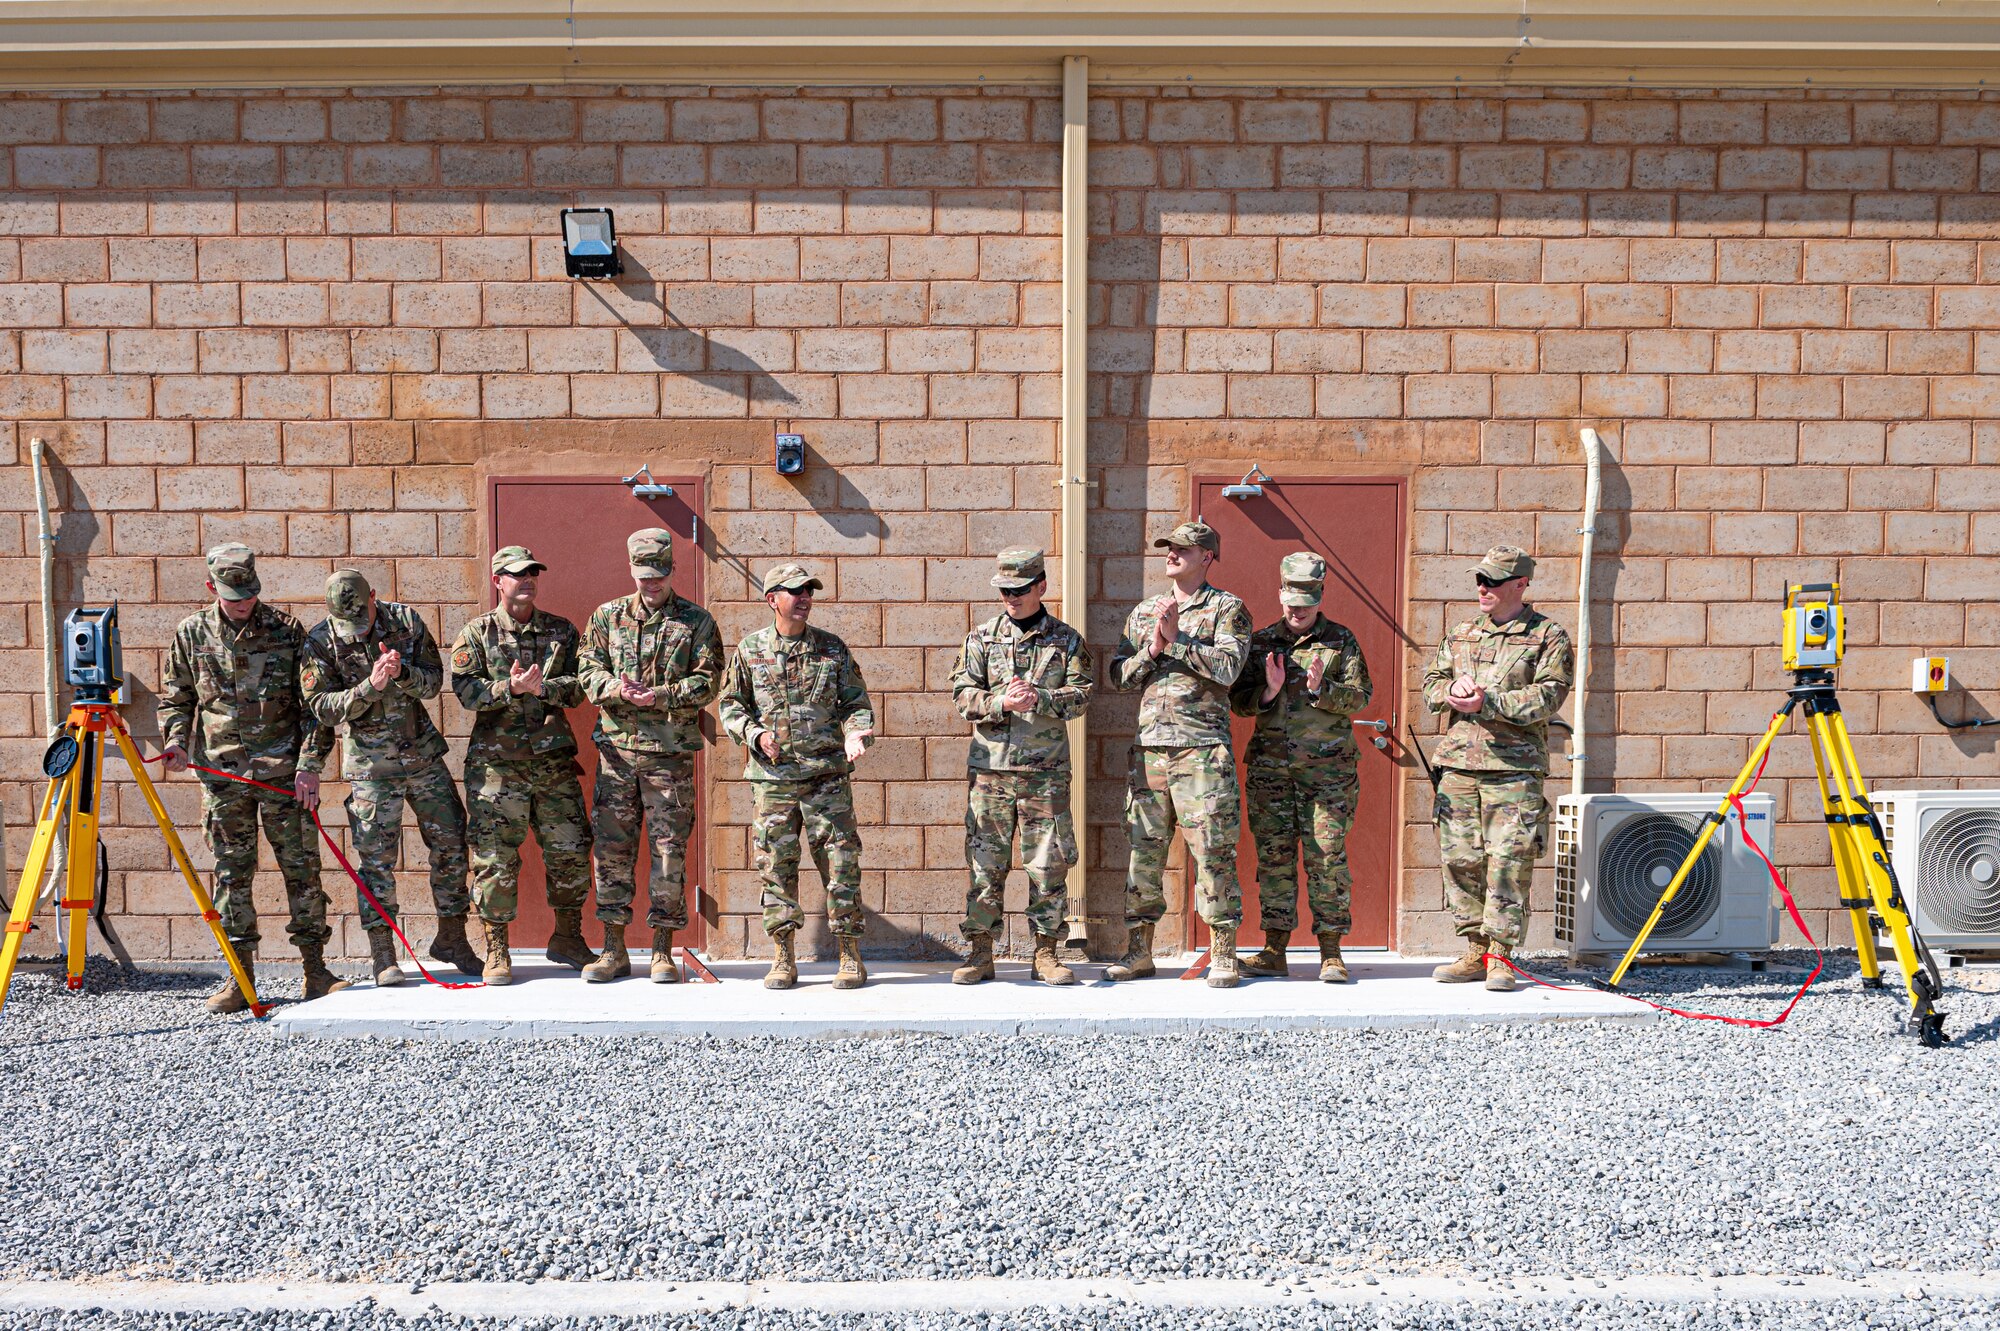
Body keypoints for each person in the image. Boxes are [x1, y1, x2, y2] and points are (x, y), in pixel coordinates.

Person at [157, 543, 341, 1011]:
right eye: (233, 594)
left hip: (284, 776)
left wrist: (309, 767)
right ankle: (240, 979)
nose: (243, 602)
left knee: (302, 873)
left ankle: (316, 971)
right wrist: (176, 741)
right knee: (230, 877)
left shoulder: (287, 631)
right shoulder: (191, 633)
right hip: (222, 777)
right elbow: (177, 698)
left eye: (250, 593)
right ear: (211, 588)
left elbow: (315, 709)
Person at [300, 568, 479, 986]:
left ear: (374, 597)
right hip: (370, 768)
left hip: (423, 758)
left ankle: (452, 938)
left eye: (361, 619)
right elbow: (321, 708)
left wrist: (403, 675)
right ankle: (383, 955)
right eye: (348, 625)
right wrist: (371, 686)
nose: (356, 632)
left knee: (452, 842)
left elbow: (435, 683)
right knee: (376, 861)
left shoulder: (407, 621)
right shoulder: (320, 641)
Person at [1420, 545, 1575, 992]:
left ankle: (1500, 956)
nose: (1482, 588)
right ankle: (1473, 947)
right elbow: (1430, 684)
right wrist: (1450, 689)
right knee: (1460, 860)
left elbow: (1548, 695)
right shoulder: (1462, 632)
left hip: (1514, 768)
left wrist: (1489, 702)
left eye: (1492, 580)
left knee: (1508, 863)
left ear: (1521, 584)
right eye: (1479, 580)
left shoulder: (1548, 636)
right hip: (1459, 767)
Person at [1105, 520, 1253, 988]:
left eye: (1183, 549)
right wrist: (1153, 647)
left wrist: (1181, 641)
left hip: (1201, 752)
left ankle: (1224, 952)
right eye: (1169, 548)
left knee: (1213, 852)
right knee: (1143, 854)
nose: (1172, 554)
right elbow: (1119, 676)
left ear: (1207, 557)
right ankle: (1139, 951)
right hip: (1150, 753)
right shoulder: (1146, 611)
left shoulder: (1228, 609)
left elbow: (1230, 669)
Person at [575, 528, 722, 984]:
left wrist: (658, 695)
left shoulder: (696, 622)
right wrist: (617, 688)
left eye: (659, 575)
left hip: (669, 759)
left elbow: (708, 682)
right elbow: (587, 671)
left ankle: (662, 949)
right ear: (631, 571)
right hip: (617, 756)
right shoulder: (607, 617)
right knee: (612, 852)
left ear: (672, 569)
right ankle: (613, 949)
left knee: (668, 854)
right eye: (643, 576)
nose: (651, 584)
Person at [717, 564, 874, 991]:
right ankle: (783, 956)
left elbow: (855, 703)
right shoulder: (750, 651)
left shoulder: (831, 649)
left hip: (827, 779)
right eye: (794, 591)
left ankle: (849, 954)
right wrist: (755, 734)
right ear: (773, 599)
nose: (804, 598)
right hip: (773, 782)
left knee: (841, 866)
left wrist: (856, 732)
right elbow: (730, 706)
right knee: (776, 868)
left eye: (808, 591)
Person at [447, 545, 596, 987]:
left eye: (533, 572)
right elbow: (464, 691)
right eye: (517, 574)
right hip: (498, 769)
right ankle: (497, 949)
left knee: (570, 852)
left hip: (553, 766)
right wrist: (508, 689)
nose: (527, 580)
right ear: (498, 581)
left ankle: (567, 938)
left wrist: (543, 687)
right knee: (495, 861)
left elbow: (579, 686)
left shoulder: (561, 631)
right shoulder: (477, 634)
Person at [947, 549, 1094, 987]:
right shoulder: (981, 639)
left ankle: (1045, 953)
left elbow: (1084, 694)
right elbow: (961, 694)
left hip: (1044, 774)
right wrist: (1000, 703)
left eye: (1019, 590)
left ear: (1041, 587)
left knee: (1048, 865)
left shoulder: (1066, 641)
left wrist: (1042, 699)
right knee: (984, 865)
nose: (1011, 597)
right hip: (990, 774)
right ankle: (980, 952)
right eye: (1004, 590)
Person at [1229, 552, 1373, 982]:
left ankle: (1331, 952)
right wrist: (1269, 692)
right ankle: (1275, 950)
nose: (1297, 609)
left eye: (1306, 600)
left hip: (1327, 776)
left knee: (1326, 858)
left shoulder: (1341, 641)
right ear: (1280, 594)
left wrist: (1321, 689)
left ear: (1320, 596)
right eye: (1291, 599)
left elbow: (1361, 696)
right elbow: (1238, 702)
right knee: (1274, 861)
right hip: (1271, 773)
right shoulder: (1259, 643)